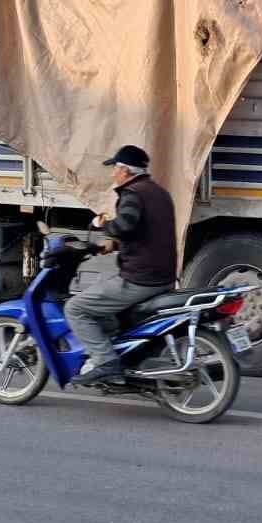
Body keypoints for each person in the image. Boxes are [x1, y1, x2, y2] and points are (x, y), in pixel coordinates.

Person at [64, 144, 177, 386]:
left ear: (125, 171)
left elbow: (125, 225)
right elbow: (145, 231)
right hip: (163, 275)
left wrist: (101, 225)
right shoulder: (158, 192)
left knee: (75, 308)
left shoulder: (133, 194)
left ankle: (106, 362)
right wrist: (114, 244)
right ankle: (122, 352)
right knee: (105, 302)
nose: (113, 173)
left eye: (115, 168)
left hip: (140, 277)